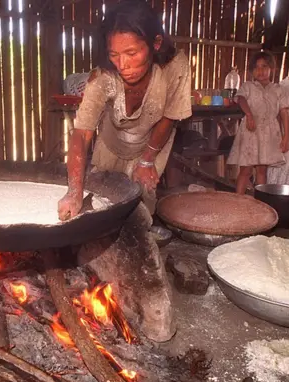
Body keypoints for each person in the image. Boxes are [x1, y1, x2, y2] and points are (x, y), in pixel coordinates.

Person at [57, 0, 192, 221]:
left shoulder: (175, 67)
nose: (123, 64)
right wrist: (74, 192)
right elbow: (81, 133)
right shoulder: (103, 78)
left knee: (140, 211)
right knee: (103, 203)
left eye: (132, 52)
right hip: (112, 144)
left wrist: (147, 160)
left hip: (153, 142)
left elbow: (169, 117)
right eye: (114, 54)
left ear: (155, 43)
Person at [227, 51, 289, 195]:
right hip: (251, 131)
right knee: (246, 169)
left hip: (269, 133)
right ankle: (238, 201)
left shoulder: (278, 90)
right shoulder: (248, 86)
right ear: (251, 71)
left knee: (262, 169)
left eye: (264, 66)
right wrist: (249, 115)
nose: (260, 70)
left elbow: (284, 113)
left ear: (272, 69)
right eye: (256, 67)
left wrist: (286, 137)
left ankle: (260, 203)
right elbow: (241, 99)